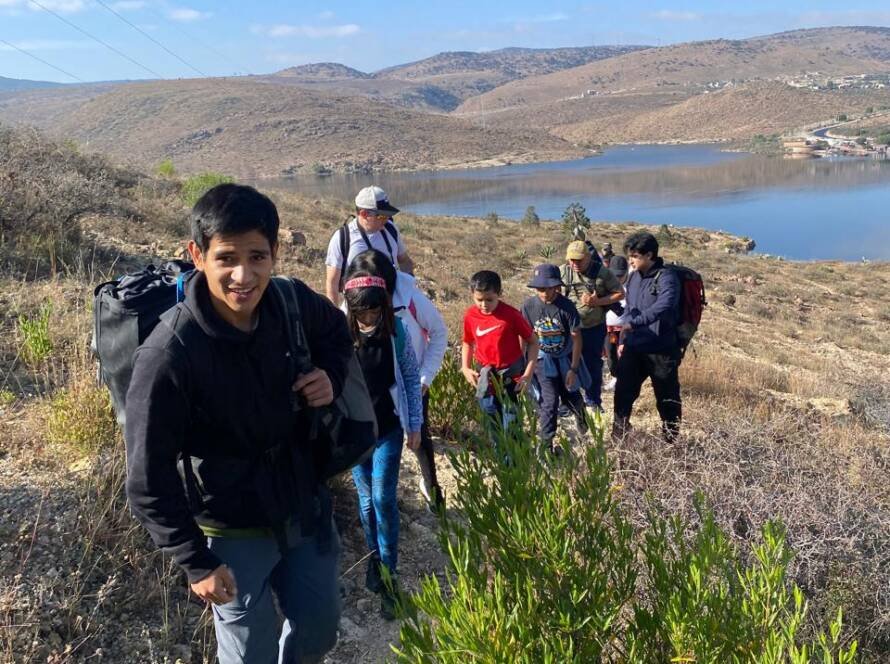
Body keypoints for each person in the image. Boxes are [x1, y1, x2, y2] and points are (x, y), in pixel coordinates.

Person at [125, 184, 352, 663]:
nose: (243, 276)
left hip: (303, 512)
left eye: (257, 257)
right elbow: (147, 478)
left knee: (319, 630)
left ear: (274, 254)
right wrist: (195, 562)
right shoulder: (169, 354)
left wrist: (329, 376)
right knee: (249, 654)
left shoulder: (289, 302)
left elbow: (336, 331)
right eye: (226, 258)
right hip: (231, 533)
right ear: (197, 255)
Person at [341, 265, 423, 620]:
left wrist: (415, 423)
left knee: (382, 498)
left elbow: (410, 377)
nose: (369, 319)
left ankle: (390, 574)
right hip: (354, 433)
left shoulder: (396, 331)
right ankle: (375, 558)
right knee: (365, 501)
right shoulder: (339, 334)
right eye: (362, 312)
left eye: (374, 311)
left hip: (387, 429)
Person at [345, 250, 448, 512]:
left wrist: (425, 376)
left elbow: (438, 332)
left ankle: (433, 492)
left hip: (413, 382)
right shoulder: (350, 308)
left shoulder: (411, 298)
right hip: (372, 394)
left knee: (420, 437)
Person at [613, 231, 682, 443]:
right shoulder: (634, 277)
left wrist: (635, 323)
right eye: (629, 256)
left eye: (635, 256)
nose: (630, 261)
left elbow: (664, 305)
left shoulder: (667, 277)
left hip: (661, 350)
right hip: (634, 347)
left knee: (667, 399)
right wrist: (623, 339)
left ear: (650, 255)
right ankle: (618, 439)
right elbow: (630, 308)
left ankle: (671, 443)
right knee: (622, 393)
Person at [461, 270, 539, 437]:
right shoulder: (470, 315)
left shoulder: (511, 315)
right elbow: (467, 341)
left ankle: (513, 453)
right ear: (472, 294)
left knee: (512, 424)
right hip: (485, 377)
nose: (484, 304)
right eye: (479, 300)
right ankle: (498, 452)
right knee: (491, 421)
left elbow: (533, 342)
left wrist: (527, 374)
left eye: (489, 299)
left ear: (499, 294)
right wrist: (465, 368)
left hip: (511, 377)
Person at [521, 264, 588, 453]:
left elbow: (576, 338)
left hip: (565, 357)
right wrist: (522, 363)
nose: (544, 293)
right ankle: (546, 445)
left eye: (548, 288)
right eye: (540, 289)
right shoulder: (528, 306)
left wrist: (574, 369)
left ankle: (583, 423)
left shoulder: (567, 307)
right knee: (549, 401)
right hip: (541, 359)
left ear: (556, 286)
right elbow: (524, 336)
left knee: (571, 396)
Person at [560, 240, 624, 411]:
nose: (575, 263)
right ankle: (570, 402)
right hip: (569, 329)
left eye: (579, 260)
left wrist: (597, 302)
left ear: (588, 257)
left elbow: (620, 293)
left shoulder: (602, 273)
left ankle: (593, 401)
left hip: (592, 328)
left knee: (592, 365)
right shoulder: (563, 271)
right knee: (566, 365)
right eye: (571, 259)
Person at [325, 185, 415, 305]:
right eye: (382, 216)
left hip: (394, 303)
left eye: (388, 215)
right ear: (364, 214)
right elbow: (332, 283)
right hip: (358, 308)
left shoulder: (390, 229)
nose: (386, 220)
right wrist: (334, 314)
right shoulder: (342, 238)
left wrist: (408, 288)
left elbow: (405, 261)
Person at [603, 255, 629, 392]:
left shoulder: (632, 286)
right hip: (609, 329)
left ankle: (624, 381)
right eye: (615, 275)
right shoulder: (605, 285)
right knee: (611, 356)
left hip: (626, 329)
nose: (618, 278)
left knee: (624, 355)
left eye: (621, 275)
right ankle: (615, 376)